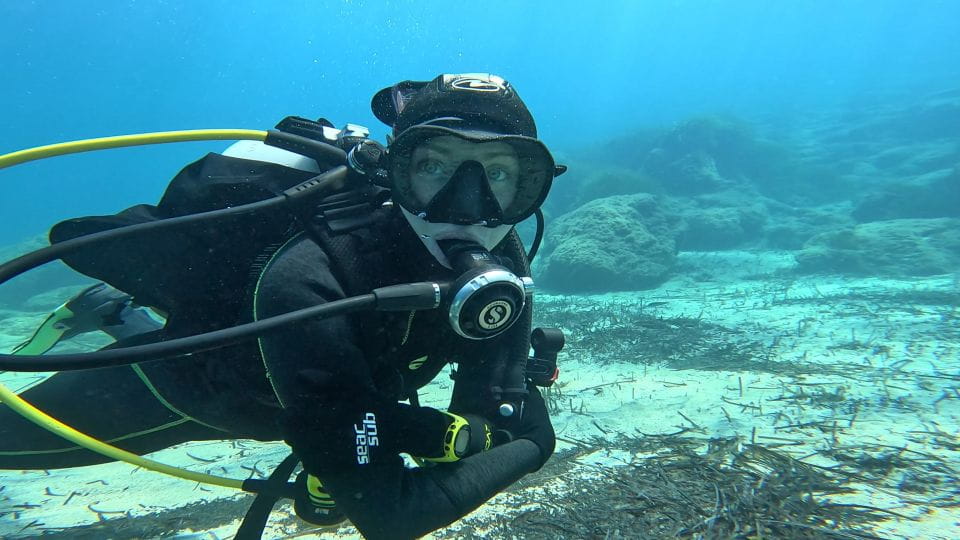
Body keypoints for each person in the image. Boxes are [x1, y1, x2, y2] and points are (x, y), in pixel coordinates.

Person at [0, 73, 562, 539]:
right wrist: (535, 445)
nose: (467, 208)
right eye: (434, 167)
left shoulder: (502, 253)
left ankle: (116, 314)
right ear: (395, 171)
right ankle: (123, 319)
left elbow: (492, 411)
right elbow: (393, 516)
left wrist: (408, 434)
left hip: (327, 387)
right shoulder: (308, 277)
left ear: (529, 187)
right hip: (200, 388)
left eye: (499, 174)